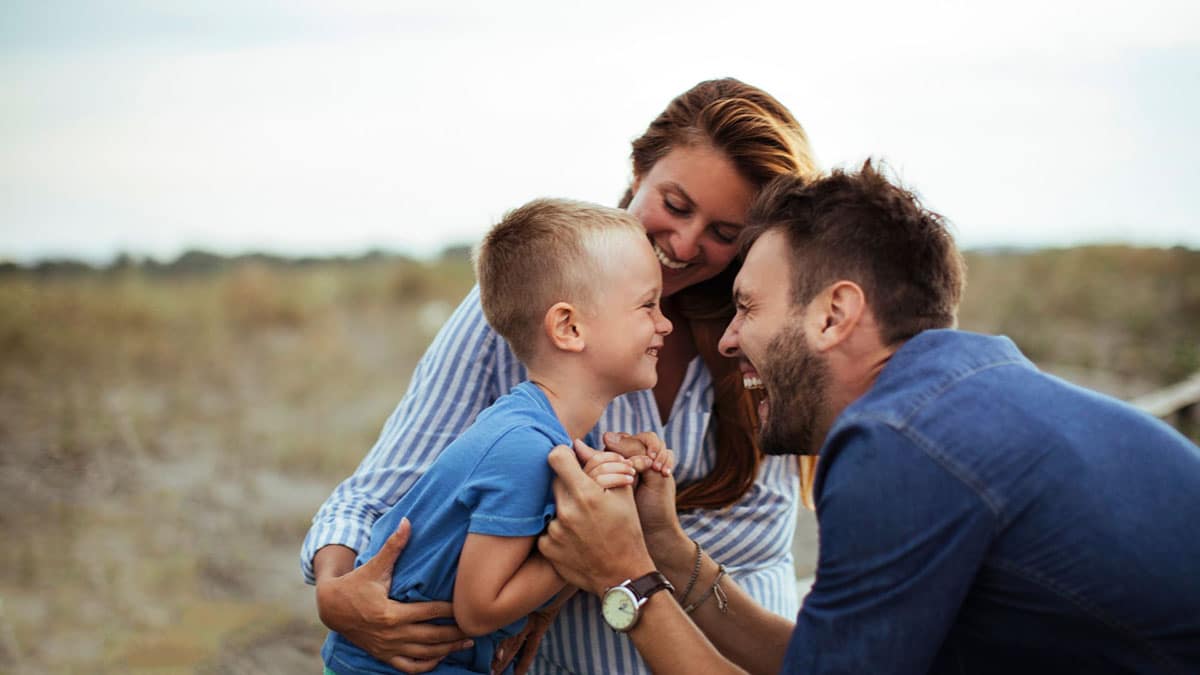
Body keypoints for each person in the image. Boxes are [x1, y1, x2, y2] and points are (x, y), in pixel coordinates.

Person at [538, 161, 1200, 674]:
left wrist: (624, 576)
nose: (731, 338)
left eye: (748, 306)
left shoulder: (898, 445)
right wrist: (668, 550)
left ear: (833, 314)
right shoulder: (968, 398)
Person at [301, 78, 821, 674]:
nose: (682, 243)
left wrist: (598, 534)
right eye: (675, 206)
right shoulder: (535, 305)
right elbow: (386, 488)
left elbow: (749, 536)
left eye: (724, 234)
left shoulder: (762, 334)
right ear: (637, 171)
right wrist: (337, 590)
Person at [322, 199, 676, 674]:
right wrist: (581, 552)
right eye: (648, 305)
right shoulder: (522, 449)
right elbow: (480, 608)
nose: (665, 322)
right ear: (569, 327)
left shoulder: (541, 429)